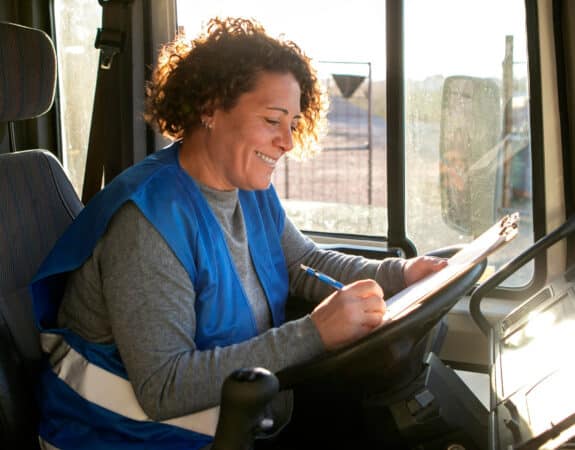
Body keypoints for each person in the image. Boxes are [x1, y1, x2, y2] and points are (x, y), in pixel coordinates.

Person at [31, 16, 447, 449]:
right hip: (125, 435)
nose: (288, 141)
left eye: (293, 122)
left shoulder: (246, 188)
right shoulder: (147, 223)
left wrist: (404, 273)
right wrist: (313, 333)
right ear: (210, 107)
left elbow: (303, 262)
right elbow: (164, 388)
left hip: (231, 420)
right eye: (272, 120)